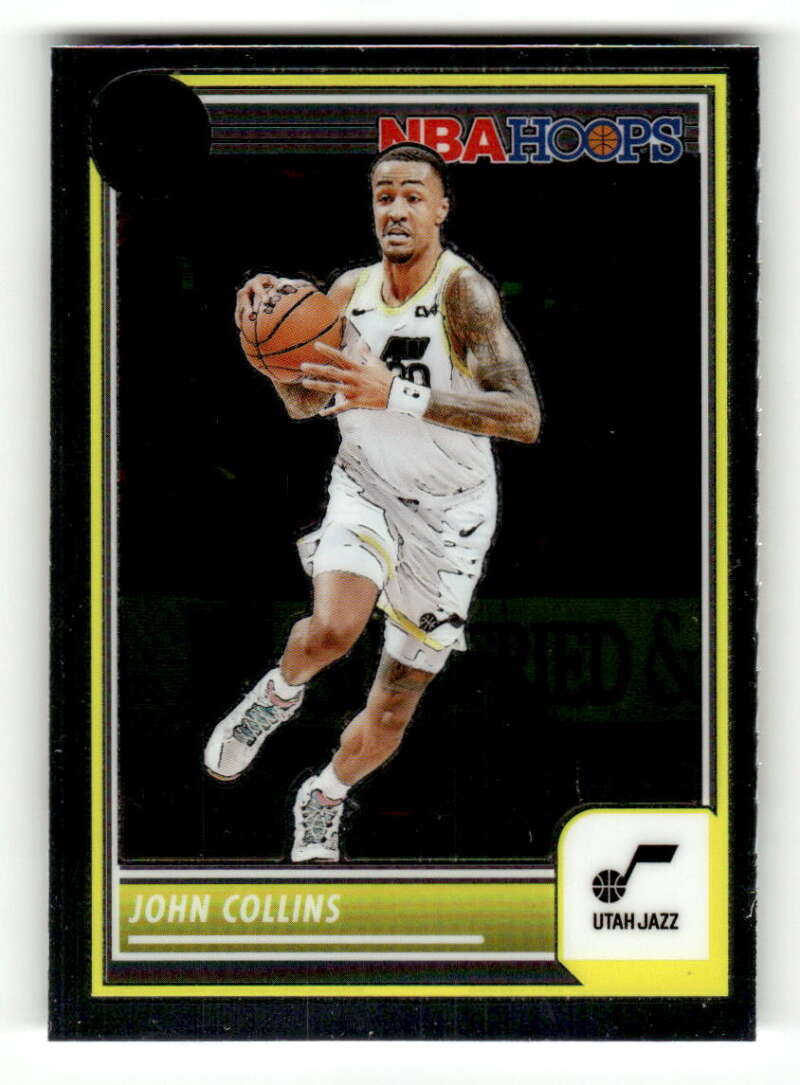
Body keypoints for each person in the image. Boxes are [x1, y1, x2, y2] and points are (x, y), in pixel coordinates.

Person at [204, 143, 541, 862]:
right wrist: (263, 348)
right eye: (385, 195)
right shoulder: (347, 291)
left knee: (392, 704)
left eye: (413, 195)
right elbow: (306, 404)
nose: (397, 209)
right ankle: (278, 694)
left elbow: (523, 416)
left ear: (441, 208)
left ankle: (324, 794)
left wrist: (398, 393)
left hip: (451, 517)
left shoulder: (464, 295)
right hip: (367, 488)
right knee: (334, 628)